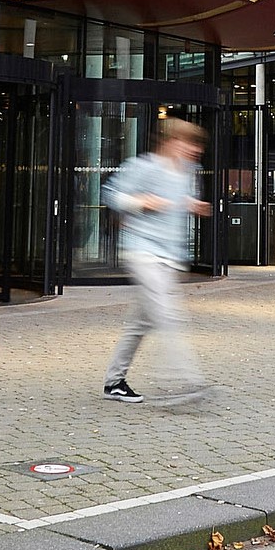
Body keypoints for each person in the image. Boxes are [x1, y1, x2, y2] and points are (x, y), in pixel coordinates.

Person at [102, 117, 212, 405]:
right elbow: (111, 194)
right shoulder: (144, 167)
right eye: (188, 144)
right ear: (171, 142)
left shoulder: (189, 171)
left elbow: (180, 200)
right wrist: (141, 202)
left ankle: (114, 382)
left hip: (169, 257)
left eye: (196, 146)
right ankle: (184, 380)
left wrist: (191, 204)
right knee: (168, 314)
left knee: (139, 324)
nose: (194, 151)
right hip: (142, 252)